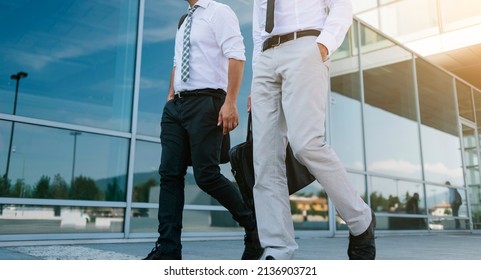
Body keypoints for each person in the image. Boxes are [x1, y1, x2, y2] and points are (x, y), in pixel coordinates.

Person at [250, 0, 376, 260]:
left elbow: (341, 6)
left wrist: (323, 44)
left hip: (305, 44)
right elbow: (258, 28)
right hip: (265, 56)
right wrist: (256, 73)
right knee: (264, 160)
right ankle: (277, 249)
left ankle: (360, 218)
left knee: (306, 143)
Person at [143, 0, 263, 260]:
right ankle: (168, 249)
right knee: (169, 176)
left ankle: (254, 228)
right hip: (177, 106)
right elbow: (178, 61)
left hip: (208, 101)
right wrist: (170, 97)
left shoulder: (219, 12)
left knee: (206, 175)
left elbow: (237, 56)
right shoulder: (184, 20)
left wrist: (230, 102)